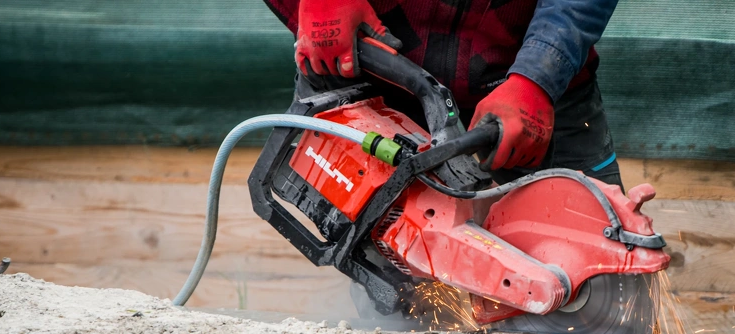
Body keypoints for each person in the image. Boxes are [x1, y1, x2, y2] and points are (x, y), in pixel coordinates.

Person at [262, 0, 623, 188]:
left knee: (604, 287)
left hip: (532, 96)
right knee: (405, 305)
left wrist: (542, 71)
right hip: (369, 79)